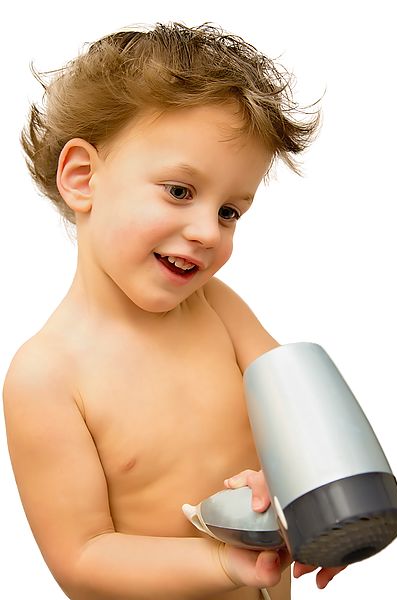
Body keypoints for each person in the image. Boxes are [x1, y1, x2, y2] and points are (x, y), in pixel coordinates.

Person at [2, 22, 345, 599]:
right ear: (83, 178)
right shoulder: (47, 378)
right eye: (180, 192)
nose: (208, 231)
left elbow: (306, 426)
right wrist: (228, 564)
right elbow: (82, 559)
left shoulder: (221, 311)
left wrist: (307, 494)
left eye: (232, 210)